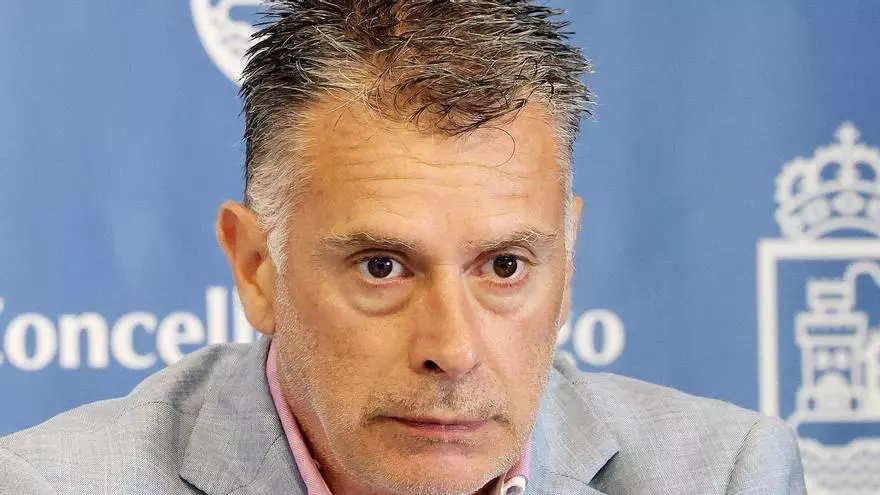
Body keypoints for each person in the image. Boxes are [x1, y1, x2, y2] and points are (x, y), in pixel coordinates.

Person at [0, 1, 806, 494]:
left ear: (567, 263)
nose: (452, 348)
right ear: (256, 268)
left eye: (505, 266)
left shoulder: (725, 475)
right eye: (382, 266)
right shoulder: (51, 486)